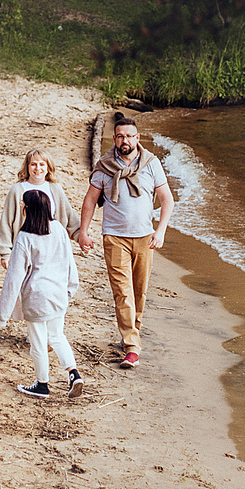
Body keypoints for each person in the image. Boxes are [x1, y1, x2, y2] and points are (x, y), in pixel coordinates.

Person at [74, 113, 172, 369]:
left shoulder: (151, 163)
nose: (124, 140)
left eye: (129, 136)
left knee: (139, 292)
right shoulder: (105, 166)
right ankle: (131, 346)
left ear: (137, 138)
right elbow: (90, 200)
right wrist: (84, 231)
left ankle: (131, 333)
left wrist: (160, 231)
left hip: (144, 237)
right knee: (123, 292)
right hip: (115, 238)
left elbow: (166, 200)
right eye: (120, 136)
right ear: (115, 139)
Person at [0, 188, 82, 398]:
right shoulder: (60, 229)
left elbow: (14, 277)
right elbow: (69, 262)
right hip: (58, 294)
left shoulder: (25, 237)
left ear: (27, 210)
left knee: (38, 342)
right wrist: (71, 288)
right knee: (57, 336)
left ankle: (42, 384)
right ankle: (74, 373)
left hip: (36, 298)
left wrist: (3, 315)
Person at [0, 148, 83, 270]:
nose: (37, 168)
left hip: (51, 247)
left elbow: (69, 217)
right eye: (33, 164)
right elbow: (6, 222)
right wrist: (5, 253)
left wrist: (81, 236)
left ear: (48, 167)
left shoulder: (55, 189)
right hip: (25, 246)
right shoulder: (17, 190)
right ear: (27, 166)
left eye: (42, 164)